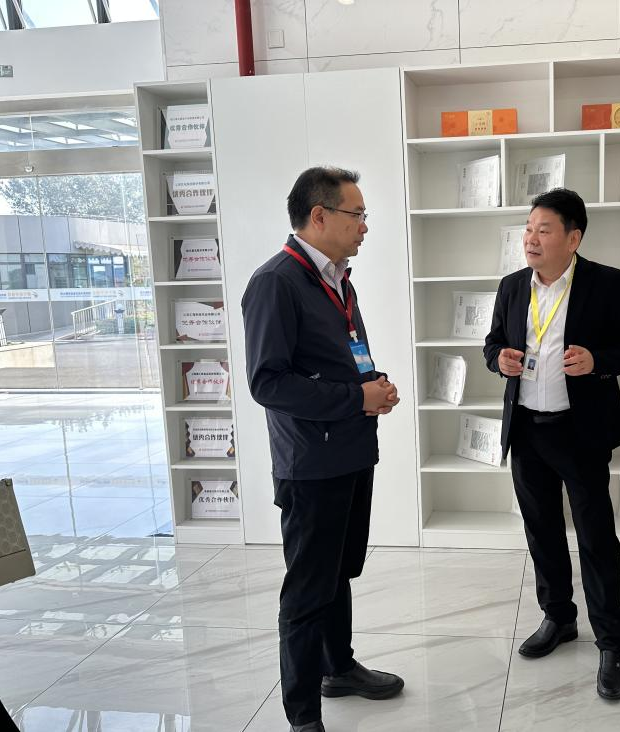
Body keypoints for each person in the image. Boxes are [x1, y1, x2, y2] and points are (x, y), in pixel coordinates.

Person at [242, 166, 404, 732]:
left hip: (351, 450)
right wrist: (356, 398)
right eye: (357, 214)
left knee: (339, 572)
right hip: (311, 464)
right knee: (309, 589)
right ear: (319, 216)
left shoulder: (338, 279)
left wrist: (372, 385)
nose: (365, 226)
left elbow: (338, 355)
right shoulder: (276, 282)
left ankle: (340, 668)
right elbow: (268, 383)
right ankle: (303, 715)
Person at [483, 187, 620, 700]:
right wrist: (499, 360)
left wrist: (597, 361)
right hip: (528, 429)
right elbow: (492, 343)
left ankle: (612, 642)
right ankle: (558, 617)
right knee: (542, 530)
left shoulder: (606, 283)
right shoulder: (512, 287)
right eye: (528, 229)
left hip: (580, 431)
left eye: (543, 230)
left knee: (596, 536)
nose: (531, 239)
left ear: (573, 238)